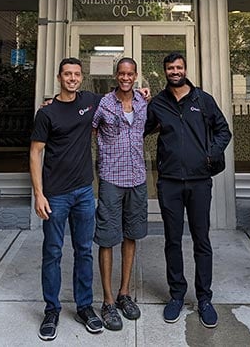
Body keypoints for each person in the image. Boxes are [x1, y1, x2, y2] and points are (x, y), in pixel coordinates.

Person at [144, 52, 232, 328]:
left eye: (179, 67)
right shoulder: (157, 103)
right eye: (170, 67)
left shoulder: (202, 100)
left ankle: (204, 299)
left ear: (185, 69)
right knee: (172, 240)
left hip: (199, 181)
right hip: (169, 181)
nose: (175, 71)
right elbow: (140, 129)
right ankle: (177, 296)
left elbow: (223, 131)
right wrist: (138, 100)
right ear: (164, 71)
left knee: (201, 240)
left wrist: (210, 154)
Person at [30, 57, 104, 341]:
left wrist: (141, 92)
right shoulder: (47, 114)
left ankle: (84, 307)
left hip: (85, 191)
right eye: (67, 74)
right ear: (59, 77)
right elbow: (36, 153)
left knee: (84, 250)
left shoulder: (90, 100)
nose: (72, 78)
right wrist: (39, 194)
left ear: (81, 78)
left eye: (76, 74)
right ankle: (52, 309)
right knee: (53, 252)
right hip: (56, 195)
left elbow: (120, 94)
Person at [92, 57, 148, 331]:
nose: (126, 77)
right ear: (116, 75)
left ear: (136, 75)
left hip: (137, 179)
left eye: (130, 73)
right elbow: (85, 131)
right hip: (111, 180)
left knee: (130, 235)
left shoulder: (142, 102)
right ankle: (108, 300)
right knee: (107, 238)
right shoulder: (104, 104)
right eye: (121, 73)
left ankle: (125, 293)